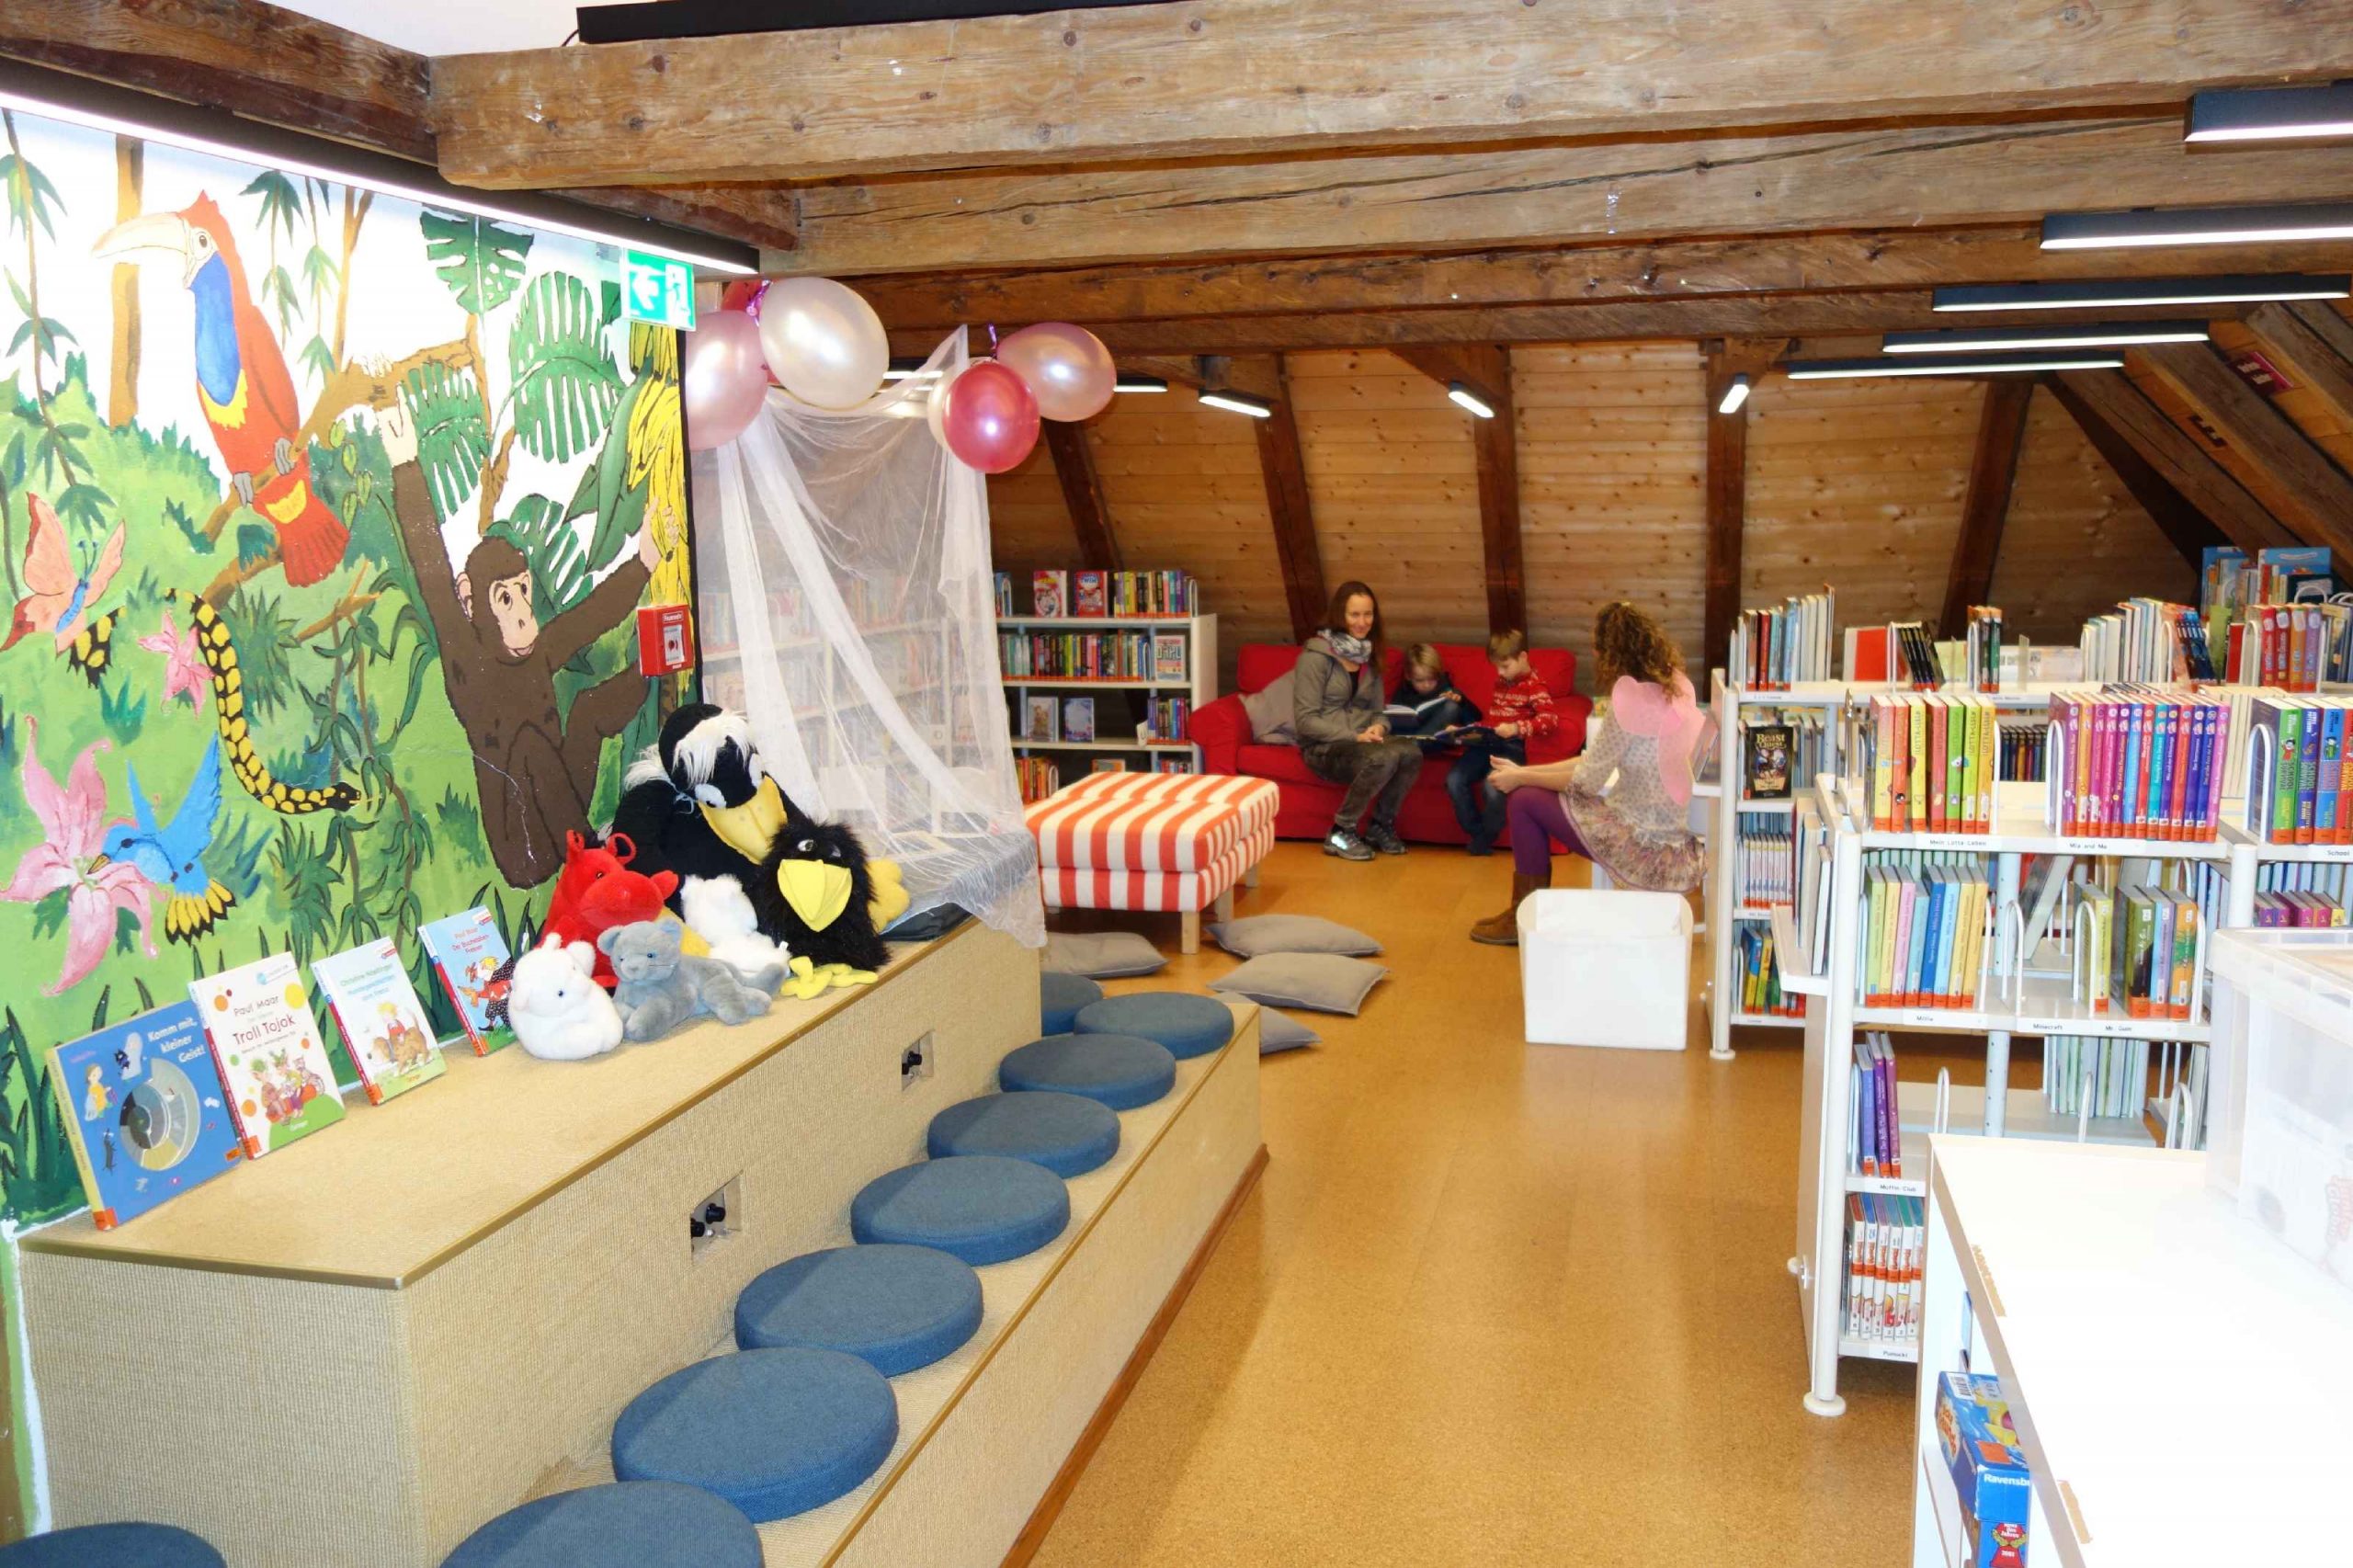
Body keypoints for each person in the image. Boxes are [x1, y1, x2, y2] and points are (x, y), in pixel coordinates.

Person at [1471, 603, 1706, 944]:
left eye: (1598, 645)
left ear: (1612, 651)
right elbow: (1590, 762)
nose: (1594, 652)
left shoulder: (1630, 700)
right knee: (1528, 792)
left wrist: (1521, 778)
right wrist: (1524, 771)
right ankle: (1523, 913)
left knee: (1523, 801)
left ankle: (1522, 916)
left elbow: (1585, 781)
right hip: (1665, 833)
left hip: (1639, 843)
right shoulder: (1674, 685)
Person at [1294, 581, 1424, 861]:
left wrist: (1380, 726)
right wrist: (1355, 736)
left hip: (1362, 741)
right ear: (1340, 615)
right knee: (1382, 757)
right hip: (1323, 747)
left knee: (1410, 752)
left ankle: (1380, 826)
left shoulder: (1369, 656)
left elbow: (1378, 712)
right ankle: (1341, 831)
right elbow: (1305, 722)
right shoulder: (1315, 658)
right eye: (1354, 615)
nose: (1362, 622)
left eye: (1368, 614)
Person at [1446, 630, 1560, 856]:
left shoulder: (1535, 686)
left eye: (1505, 666)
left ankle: (1484, 838)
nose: (1500, 672)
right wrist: (1463, 731)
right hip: (1486, 743)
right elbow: (1493, 720)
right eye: (1497, 667)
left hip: (1511, 747)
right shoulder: (1502, 682)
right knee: (1454, 779)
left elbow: (1550, 720)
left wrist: (1517, 728)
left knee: (1493, 787)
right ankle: (1478, 833)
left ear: (1523, 657)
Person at [1384, 643, 1480, 749]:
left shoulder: (1447, 690)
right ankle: (1410, 747)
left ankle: (1411, 747)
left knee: (1451, 706)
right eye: (1419, 680)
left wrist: (1461, 701)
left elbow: (1475, 720)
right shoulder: (1404, 691)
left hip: (1433, 739)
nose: (1426, 685)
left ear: (1438, 674)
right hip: (1408, 736)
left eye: (1431, 679)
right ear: (1408, 676)